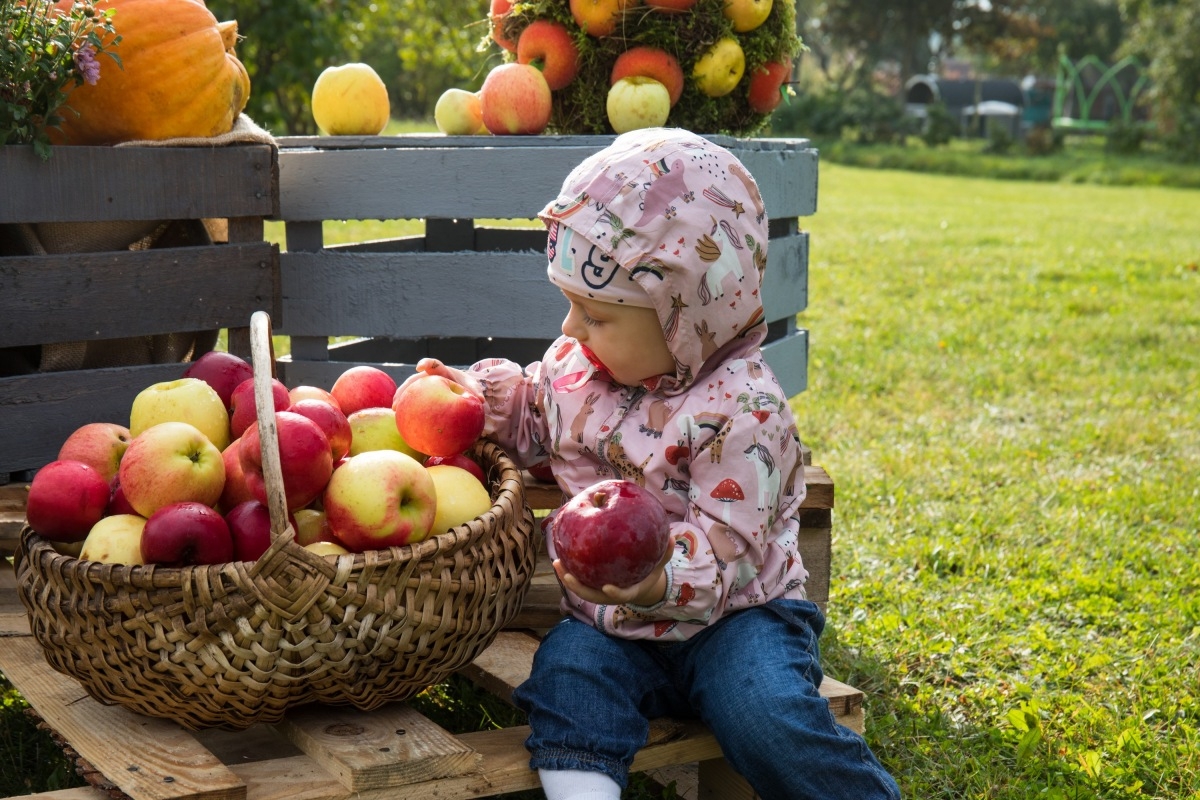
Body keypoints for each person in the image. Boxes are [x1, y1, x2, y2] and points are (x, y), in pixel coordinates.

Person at [405, 128, 900, 800]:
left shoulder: (744, 411)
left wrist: (655, 582)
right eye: (570, 305)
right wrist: (472, 401)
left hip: (737, 617)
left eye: (596, 314)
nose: (569, 331)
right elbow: (534, 421)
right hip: (613, 625)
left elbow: (728, 550)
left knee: (764, 712)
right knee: (569, 680)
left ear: (684, 317)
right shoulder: (579, 368)